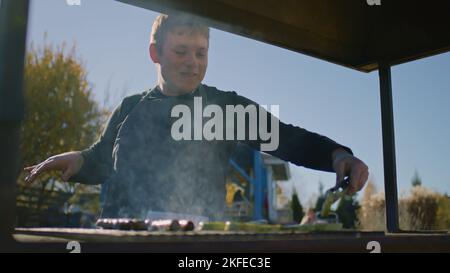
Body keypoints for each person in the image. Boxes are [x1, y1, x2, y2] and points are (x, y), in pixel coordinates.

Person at [24, 13, 369, 221]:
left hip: (196, 249)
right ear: (155, 53)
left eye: (201, 52)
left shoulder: (223, 109)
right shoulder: (130, 107)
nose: (193, 62)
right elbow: (102, 161)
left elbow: (288, 138)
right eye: (181, 51)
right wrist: (78, 161)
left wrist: (336, 154)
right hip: (121, 241)